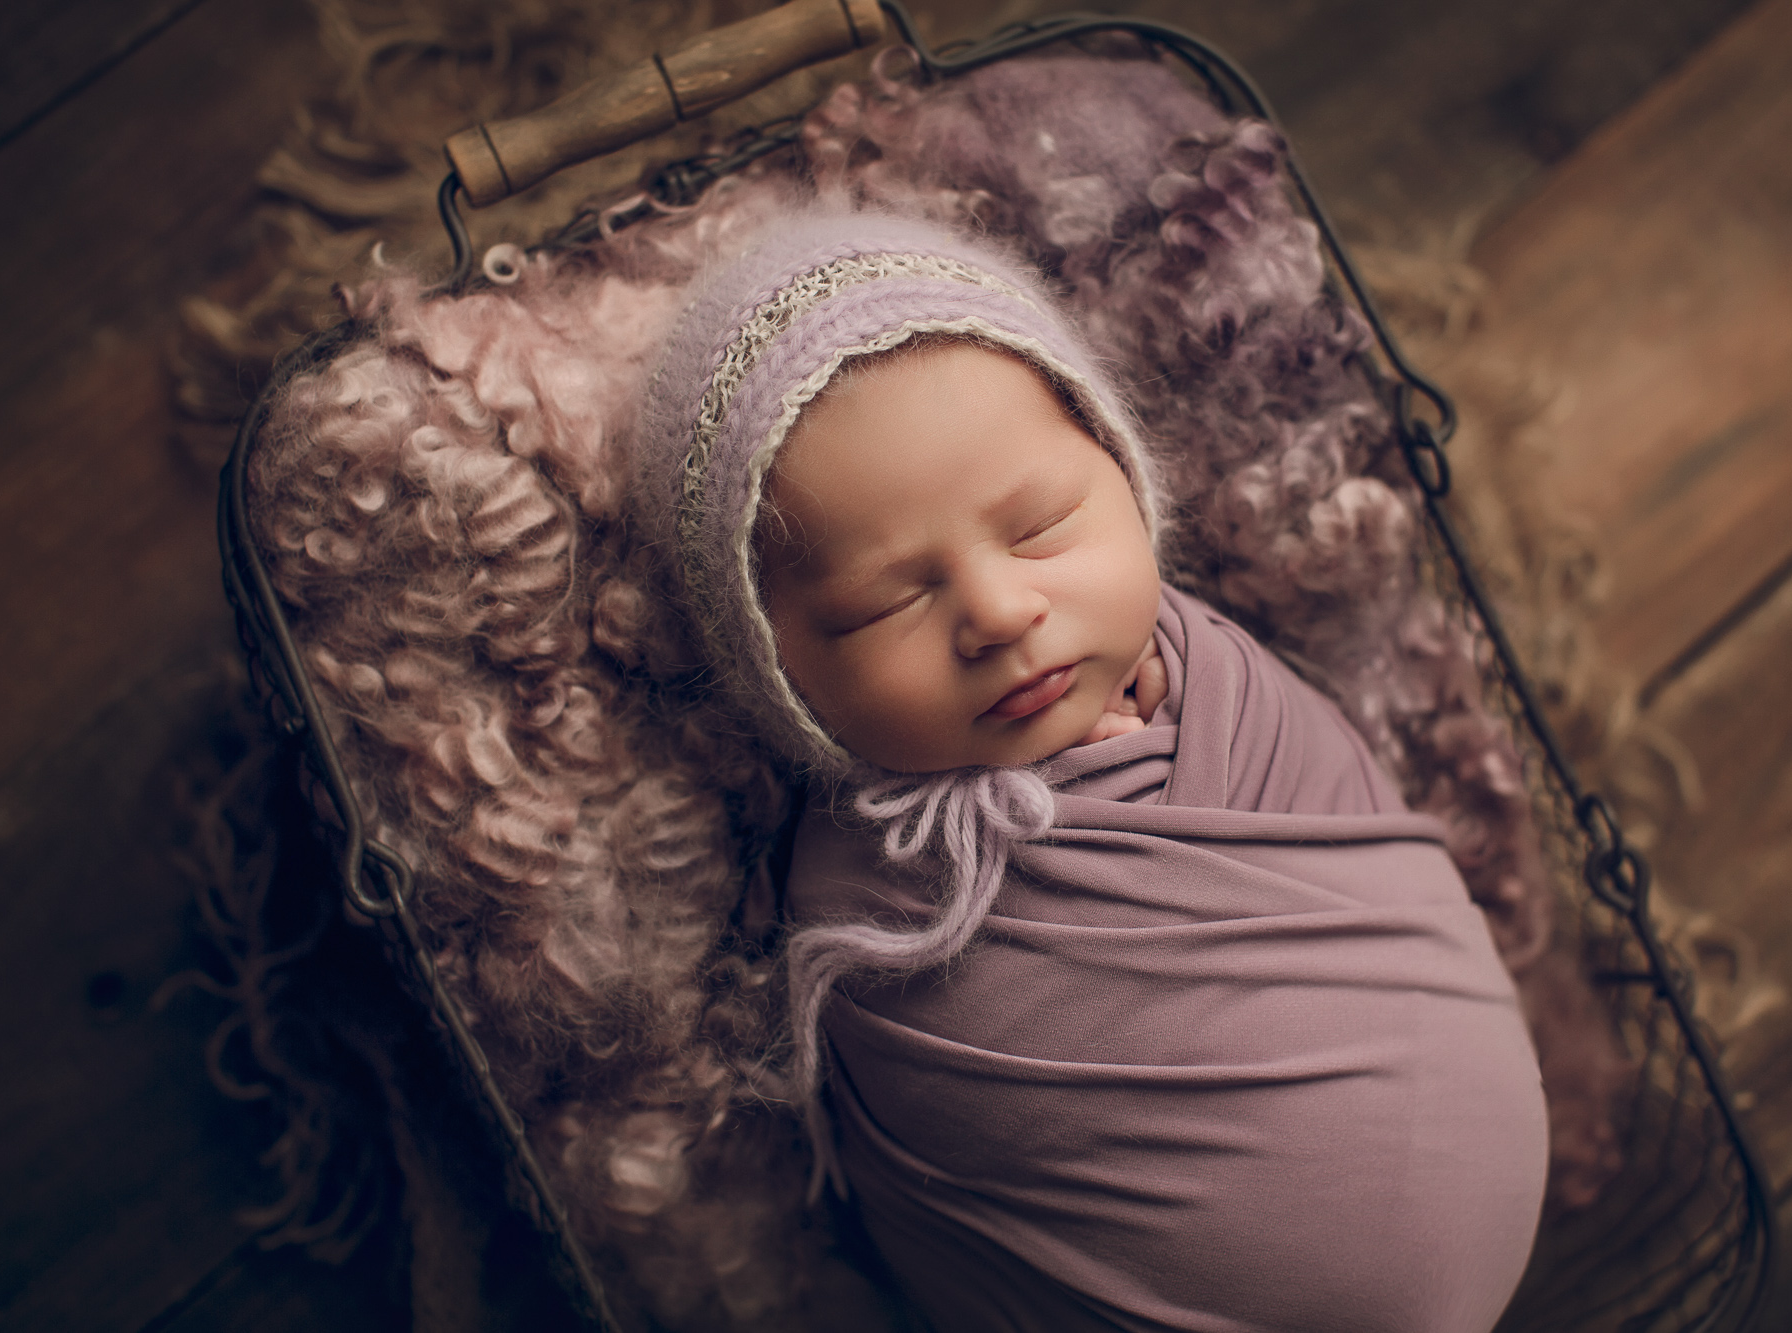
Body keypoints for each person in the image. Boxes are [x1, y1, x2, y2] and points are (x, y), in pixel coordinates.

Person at [638, 209, 1550, 1333]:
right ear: (776, 669)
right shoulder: (874, 914)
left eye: (1040, 526)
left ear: (1122, 477)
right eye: (887, 602)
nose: (997, 611)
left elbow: (1363, 845)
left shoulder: (1219, 677)